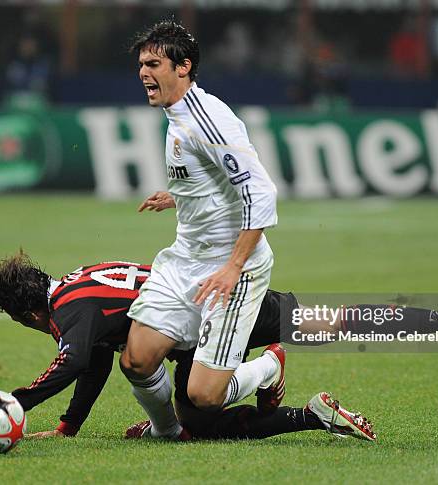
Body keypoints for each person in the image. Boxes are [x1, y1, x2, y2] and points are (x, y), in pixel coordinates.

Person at [0, 251, 438, 442]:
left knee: (198, 407)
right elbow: (92, 361)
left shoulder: (71, 312)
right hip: (210, 307)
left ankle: (265, 370)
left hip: (215, 317)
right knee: (334, 322)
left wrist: (16, 403)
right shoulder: (80, 283)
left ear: (26, 313)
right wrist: (70, 426)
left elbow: (74, 361)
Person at [119, 19, 281, 441]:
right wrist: (180, 196)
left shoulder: (208, 119)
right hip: (185, 259)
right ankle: (168, 432)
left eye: (153, 63)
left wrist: (233, 267)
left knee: (205, 396)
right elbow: (214, 179)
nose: (143, 72)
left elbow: (260, 193)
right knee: (136, 359)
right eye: (141, 64)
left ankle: (269, 367)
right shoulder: (176, 116)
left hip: (231, 269)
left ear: (183, 67)